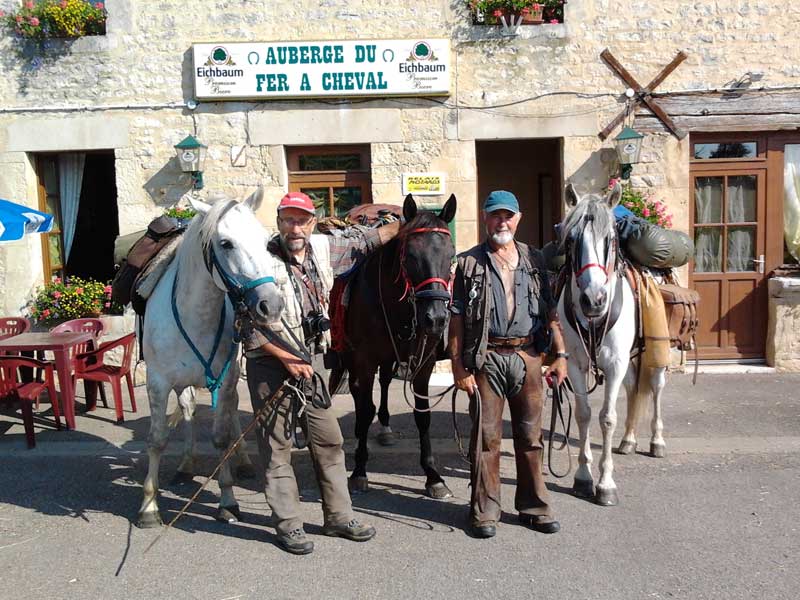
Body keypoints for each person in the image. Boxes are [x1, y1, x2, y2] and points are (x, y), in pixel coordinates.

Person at [242, 191, 400, 555]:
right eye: (288, 219)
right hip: (270, 362)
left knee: (328, 439)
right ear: (279, 221)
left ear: (312, 222)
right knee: (276, 447)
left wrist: (407, 224)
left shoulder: (325, 248)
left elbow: (368, 239)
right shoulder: (259, 259)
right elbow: (246, 325)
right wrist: (285, 357)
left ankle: (339, 517)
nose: (295, 227)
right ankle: (289, 525)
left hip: (311, 360)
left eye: (301, 220)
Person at [447, 190, 568, 539]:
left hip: (528, 358)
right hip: (486, 361)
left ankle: (534, 507)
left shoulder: (534, 260)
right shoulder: (468, 263)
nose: (502, 222)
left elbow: (550, 314)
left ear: (519, 218)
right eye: (495, 215)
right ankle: (485, 512)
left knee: (531, 437)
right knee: (486, 439)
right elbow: (455, 321)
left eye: (508, 216)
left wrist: (559, 355)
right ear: (485, 218)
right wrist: (458, 366)